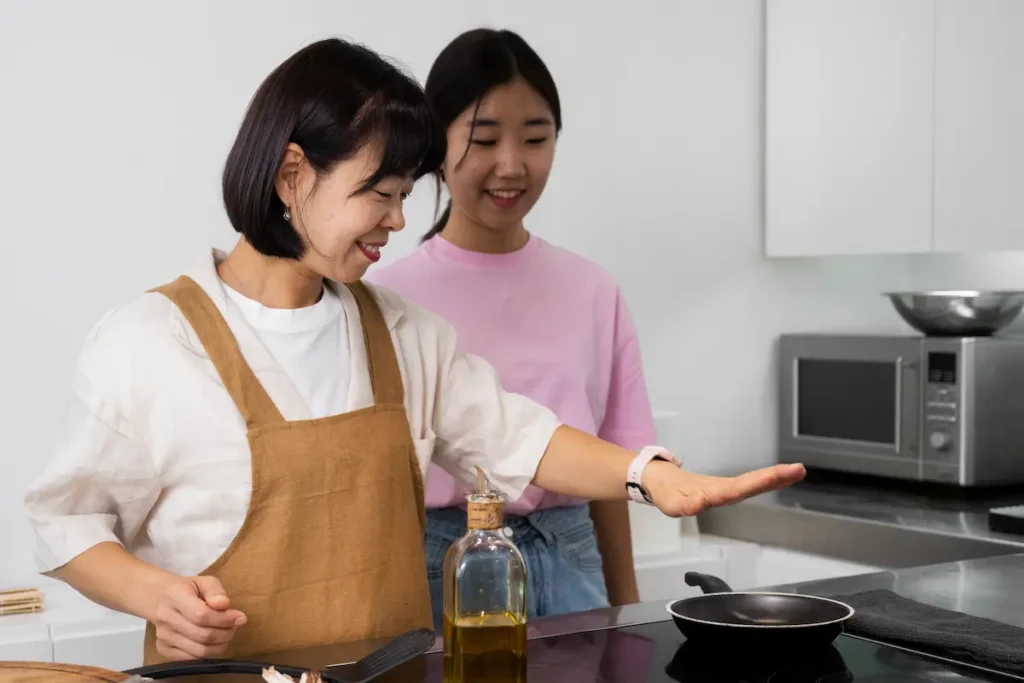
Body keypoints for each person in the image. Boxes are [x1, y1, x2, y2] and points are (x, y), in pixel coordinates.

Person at [23, 37, 805, 665]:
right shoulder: (149, 342)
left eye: (405, 196)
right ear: (293, 174)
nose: (397, 222)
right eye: (379, 192)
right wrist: (155, 596)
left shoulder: (403, 333)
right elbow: (69, 523)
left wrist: (649, 475)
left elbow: (516, 437)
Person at [368, 28, 658, 626]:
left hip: (572, 560)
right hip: (441, 564)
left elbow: (615, 474)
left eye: (535, 138)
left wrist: (629, 613)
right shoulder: (385, 298)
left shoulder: (593, 289)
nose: (512, 165)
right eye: (484, 138)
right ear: (436, 145)